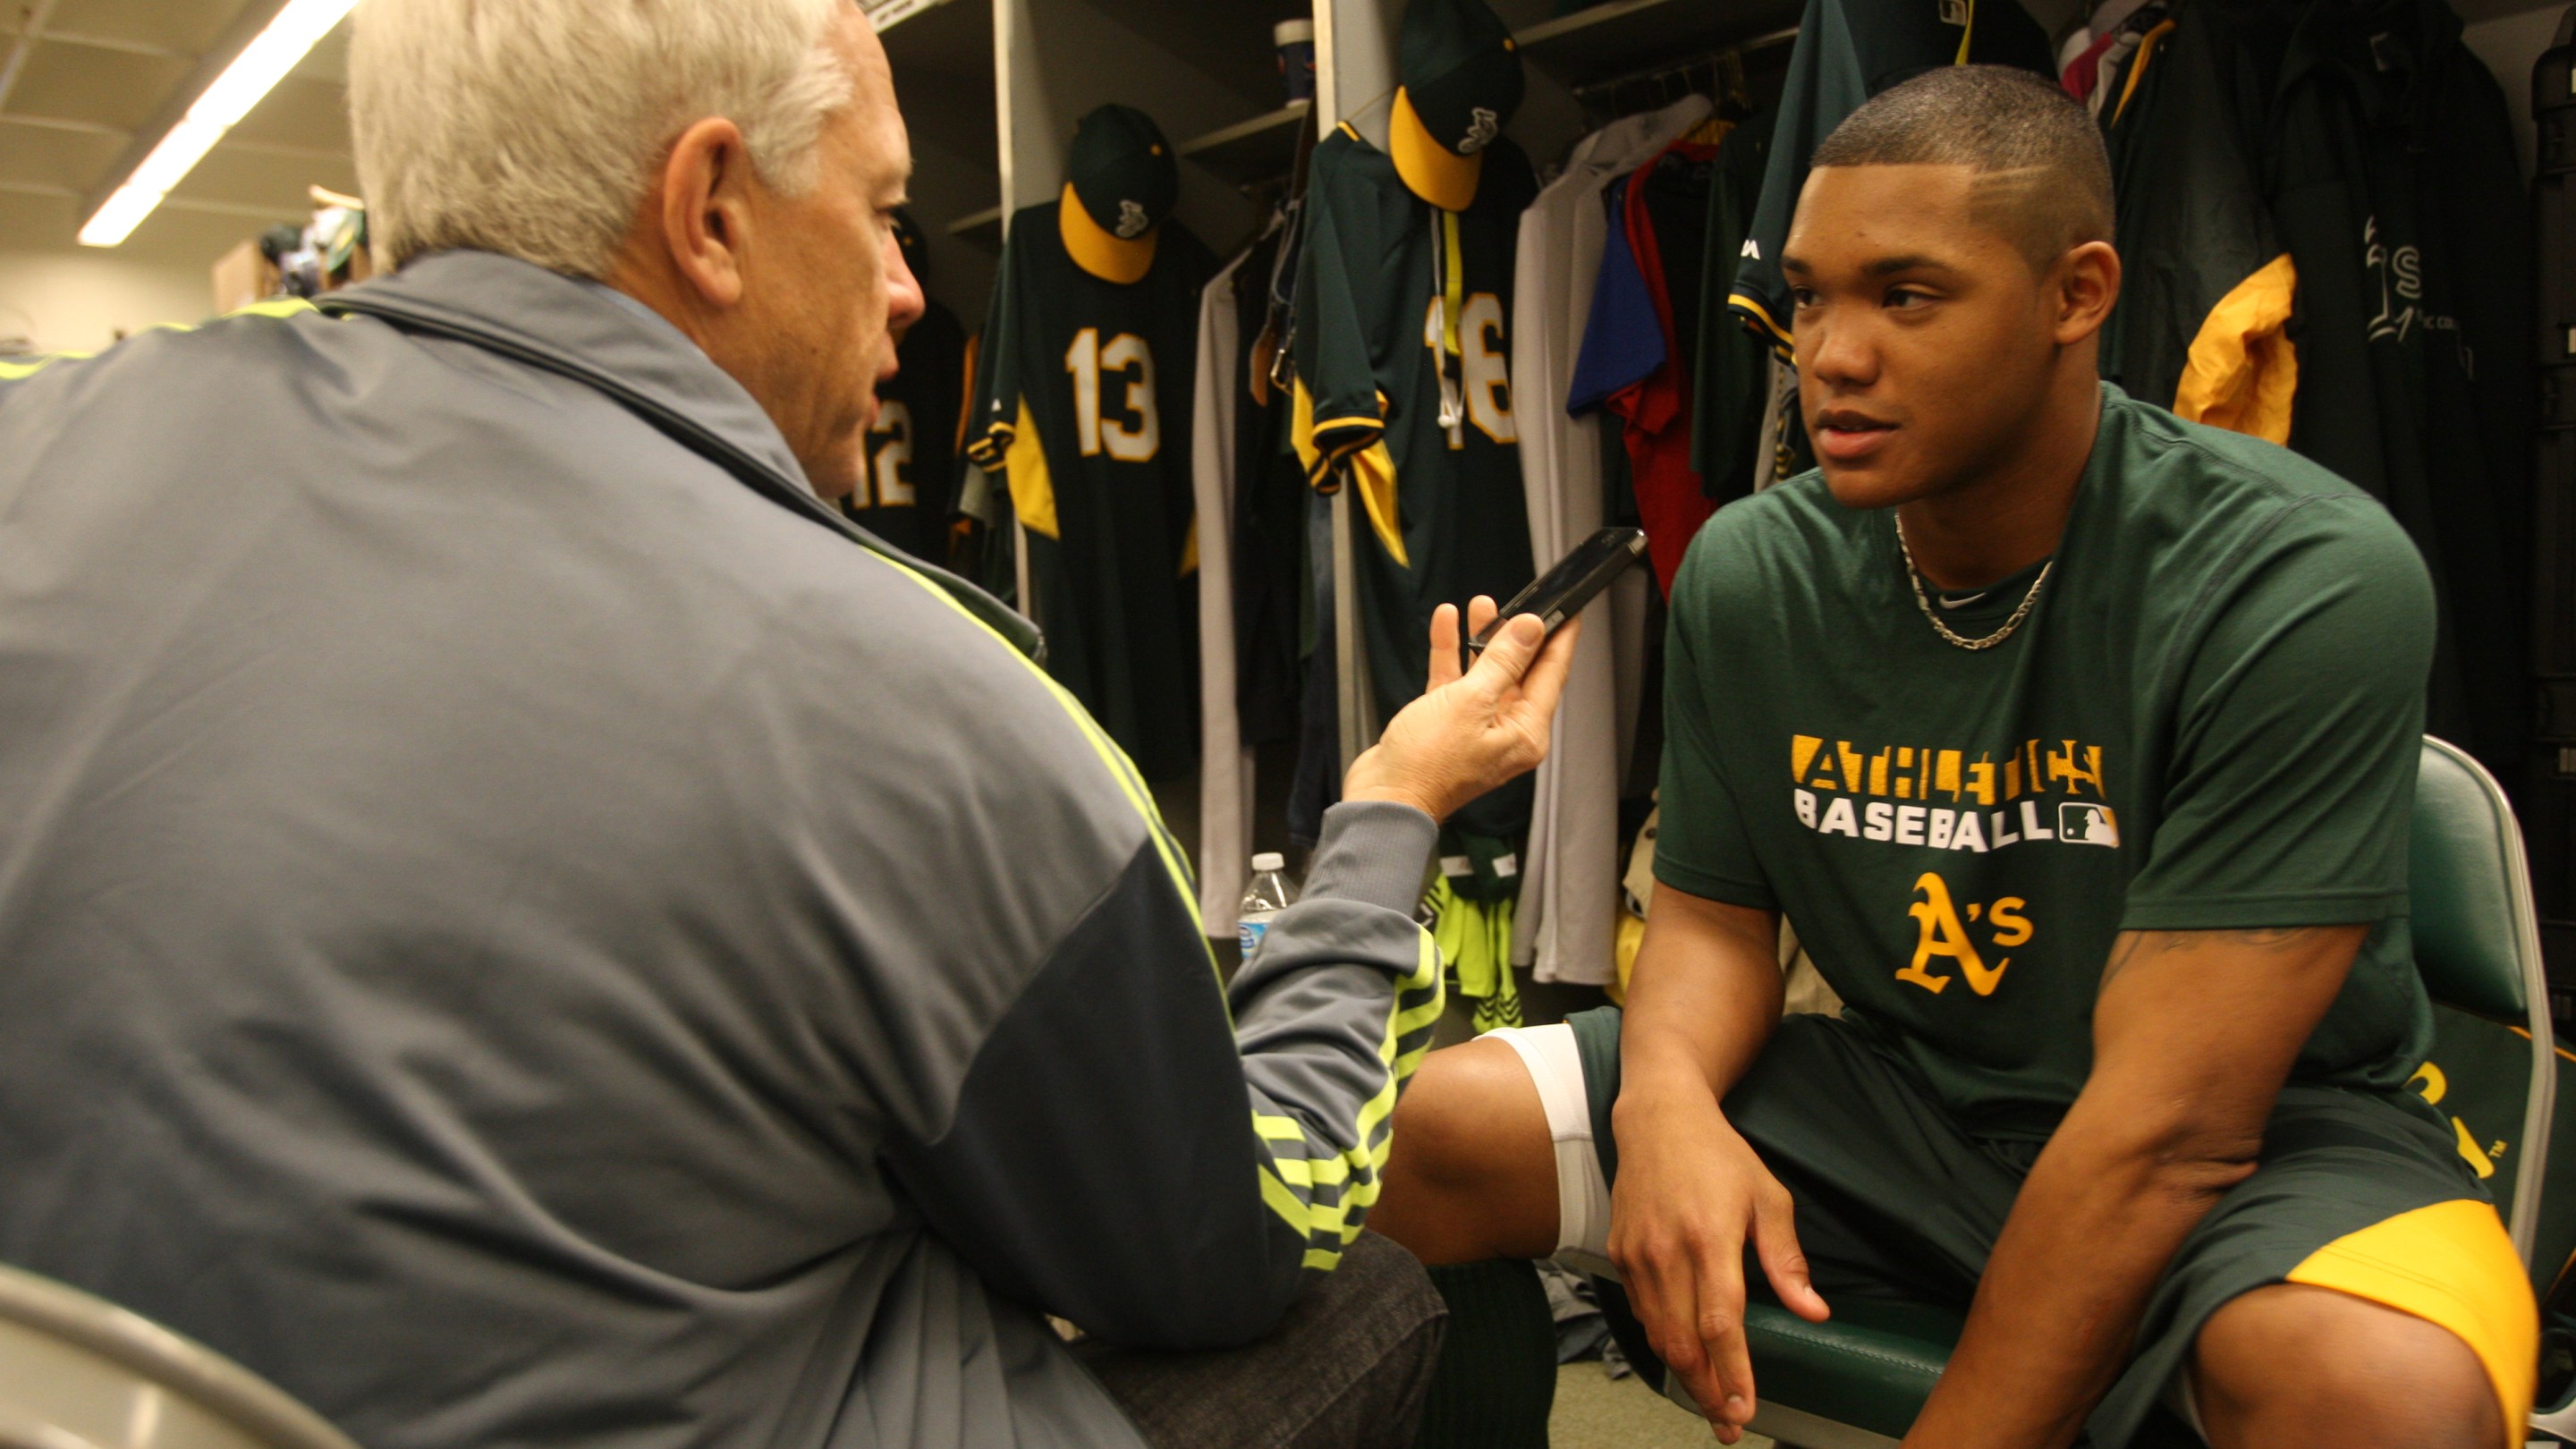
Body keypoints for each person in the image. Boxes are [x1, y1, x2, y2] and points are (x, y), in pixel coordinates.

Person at [0, 3, 1576, 1446]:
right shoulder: (913, 691)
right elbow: (1247, 1225)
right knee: (1404, 1286)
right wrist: (1390, 813)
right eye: (884, 214)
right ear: (710, 212)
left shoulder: (41, 450)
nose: (911, 288)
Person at [1369, 66, 2536, 1449]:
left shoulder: (2294, 573)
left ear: (2077, 294)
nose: (1831, 354)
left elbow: (2172, 1131)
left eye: (1906, 297)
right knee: (1423, 1137)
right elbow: (1714, 920)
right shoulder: (1755, 568)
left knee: (2378, 1393)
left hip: (2261, 1144)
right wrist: (1670, 1105)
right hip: (1900, 1100)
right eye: (1810, 297)